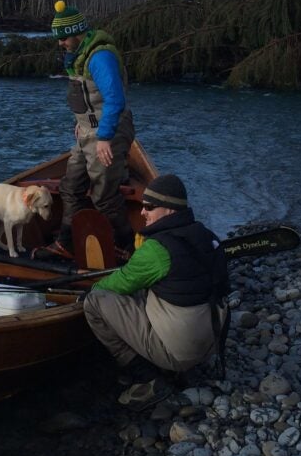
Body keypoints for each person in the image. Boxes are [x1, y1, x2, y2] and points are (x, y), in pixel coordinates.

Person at [83, 174, 229, 409]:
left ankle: (146, 378)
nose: (142, 213)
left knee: (94, 302)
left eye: (149, 207)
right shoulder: (207, 236)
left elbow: (116, 285)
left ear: (170, 210)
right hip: (211, 344)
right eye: (142, 206)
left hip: (179, 354)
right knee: (153, 290)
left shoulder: (157, 249)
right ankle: (178, 364)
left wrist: (87, 291)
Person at [34, 0, 136, 260]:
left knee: (104, 196)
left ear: (77, 33)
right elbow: (87, 100)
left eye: (64, 38)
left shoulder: (100, 57)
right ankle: (67, 244)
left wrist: (104, 138)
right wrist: (79, 124)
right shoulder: (78, 57)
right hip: (87, 134)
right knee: (70, 187)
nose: (60, 44)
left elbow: (114, 99)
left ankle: (125, 248)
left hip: (107, 133)